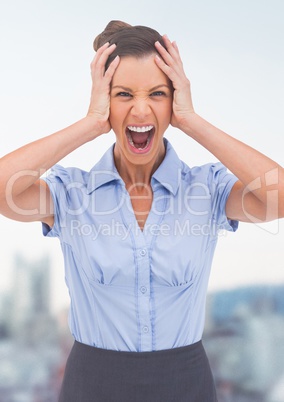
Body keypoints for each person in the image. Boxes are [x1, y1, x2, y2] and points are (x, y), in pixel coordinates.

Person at [0, 20, 283, 402]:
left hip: (186, 383)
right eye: (122, 94)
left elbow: (277, 197)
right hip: (92, 384)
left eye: (157, 93)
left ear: (174, 101)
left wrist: (192, 122)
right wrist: (89, 125)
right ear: (105, 101)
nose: (140, 108)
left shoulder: (206, 189)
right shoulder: (72, 194)